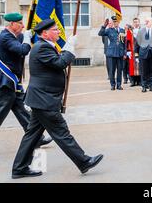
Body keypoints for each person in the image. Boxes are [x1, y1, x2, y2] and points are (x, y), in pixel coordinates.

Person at [11, 19, 103, 178]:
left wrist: (67, 48)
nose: (58, 32)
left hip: (41, 99)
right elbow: (60, 63)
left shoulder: (44, 46)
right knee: (61, 132)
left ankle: (19, 168)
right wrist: (70, 47)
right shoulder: (42, 48)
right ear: (45, 33)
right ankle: (83, 161)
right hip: (44, 100)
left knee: (32, 136)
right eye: (55, 30)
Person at [0, 12, 51, 158]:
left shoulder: (17, 36)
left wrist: (29, 35)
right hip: (5, 82)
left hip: (13, 82)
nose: (22, 26)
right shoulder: (4, 37)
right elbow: (23, 50)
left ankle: (36, 138)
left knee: (23, 112)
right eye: (20, 23)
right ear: (12, 24)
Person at [98, 16, 127, 90]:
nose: (115, 23)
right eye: (114, 22)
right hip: (111, 53)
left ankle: (119, 85)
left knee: (120, 70)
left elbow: (124, 43)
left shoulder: (122, 30)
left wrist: (125, 53)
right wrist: (104, 26)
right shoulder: (109, 30)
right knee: (112, 70)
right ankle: (112, 85)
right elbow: (100, 33)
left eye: (116, 22)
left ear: (119, 22)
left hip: (120, 53)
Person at [136, 17, 152, 92]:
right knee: (143, 70)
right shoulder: (141, 31)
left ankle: (151, 85)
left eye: (149, 21)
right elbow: (137, 43)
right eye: (147, 21)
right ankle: (144, 85)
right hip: (143, 53)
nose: (148, 23)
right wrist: (136, 54)